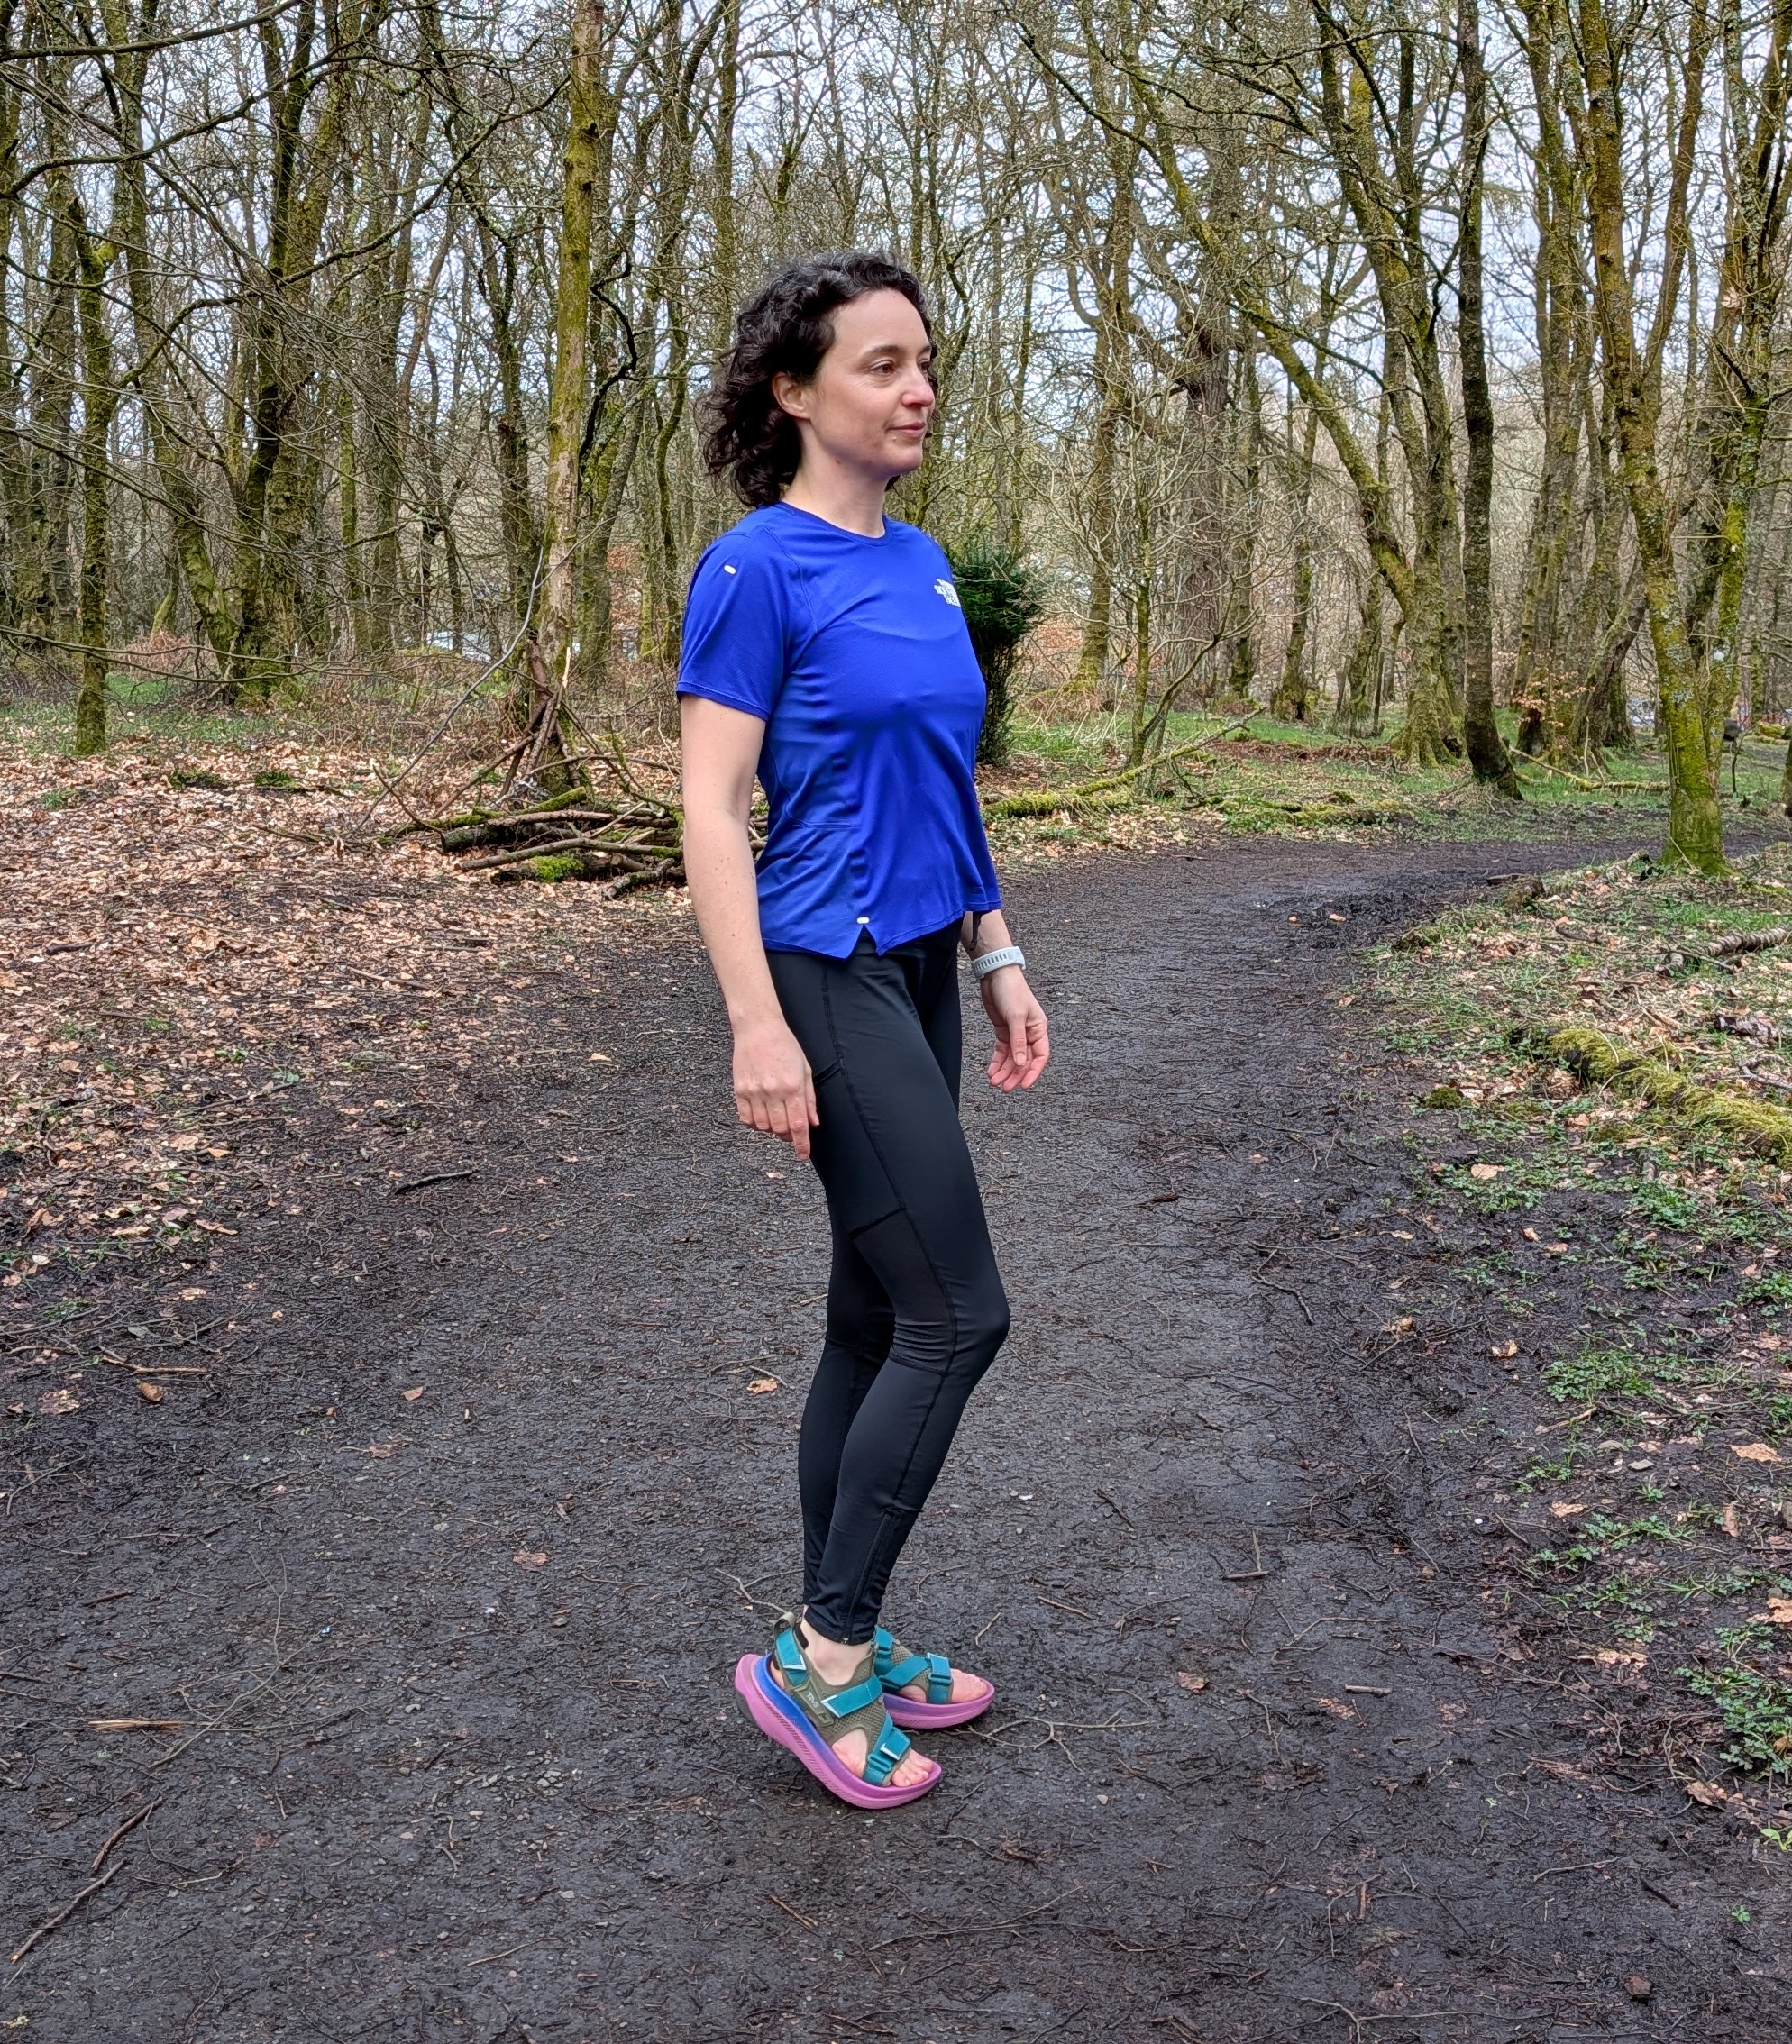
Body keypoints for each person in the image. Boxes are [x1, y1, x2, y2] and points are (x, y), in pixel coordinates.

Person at [677, 251, 1050, 1809]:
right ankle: (820, 1658)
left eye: (925, 365)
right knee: (962, 1316)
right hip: (819, 970)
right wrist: (755, 1024)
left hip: (911, 964)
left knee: (874, 1319)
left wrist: (997, 948)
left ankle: (854, 1620)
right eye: (883, 365)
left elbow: (943, 780)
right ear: (793, 389)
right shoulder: (756, 569)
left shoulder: (926, 565)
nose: (918, 390)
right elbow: (707, 807)